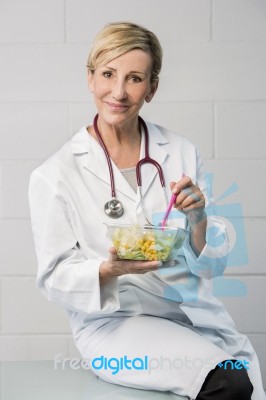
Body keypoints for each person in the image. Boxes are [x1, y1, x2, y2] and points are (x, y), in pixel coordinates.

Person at [28, 22, 265, 400]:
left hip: (193, 315)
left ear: (152, 88)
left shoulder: (182, 151)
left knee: (243, 378)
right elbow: (54, 277)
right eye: (107, 74)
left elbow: (214, 265)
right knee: (229, 381)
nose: (118, 92)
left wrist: (198, 218)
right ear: (90, 78)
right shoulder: (54, 175)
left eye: (134, 78)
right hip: (115, 325)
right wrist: (109, 270)